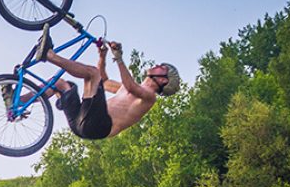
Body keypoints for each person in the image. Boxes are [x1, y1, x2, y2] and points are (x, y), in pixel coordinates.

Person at [32, 25, 180, 140]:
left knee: (92, 74)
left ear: (163, 80)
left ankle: (49, 55)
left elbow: (130, 87)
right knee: (60, 84)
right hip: (81, 122)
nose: (157, 65)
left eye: (162, 68)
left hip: (99, 126)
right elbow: (104, 81)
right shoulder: (126, 89)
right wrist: (102, 57)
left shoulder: (149, 98)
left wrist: (118, 58)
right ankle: (16, 101)